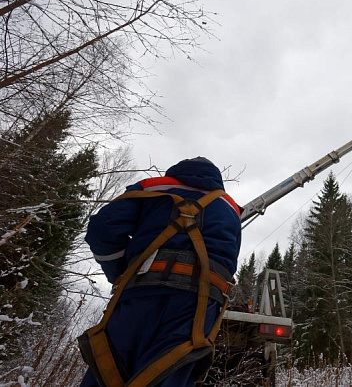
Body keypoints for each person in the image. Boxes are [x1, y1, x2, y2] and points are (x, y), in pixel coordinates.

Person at [80, 157, 242, 387]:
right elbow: (229, 262)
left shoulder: (151, 187)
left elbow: (102, 228)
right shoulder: (231, 208)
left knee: (109, 369)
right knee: (170, 370)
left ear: (175, 172)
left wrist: (119, 272)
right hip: (195, 306)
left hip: (140, 293)